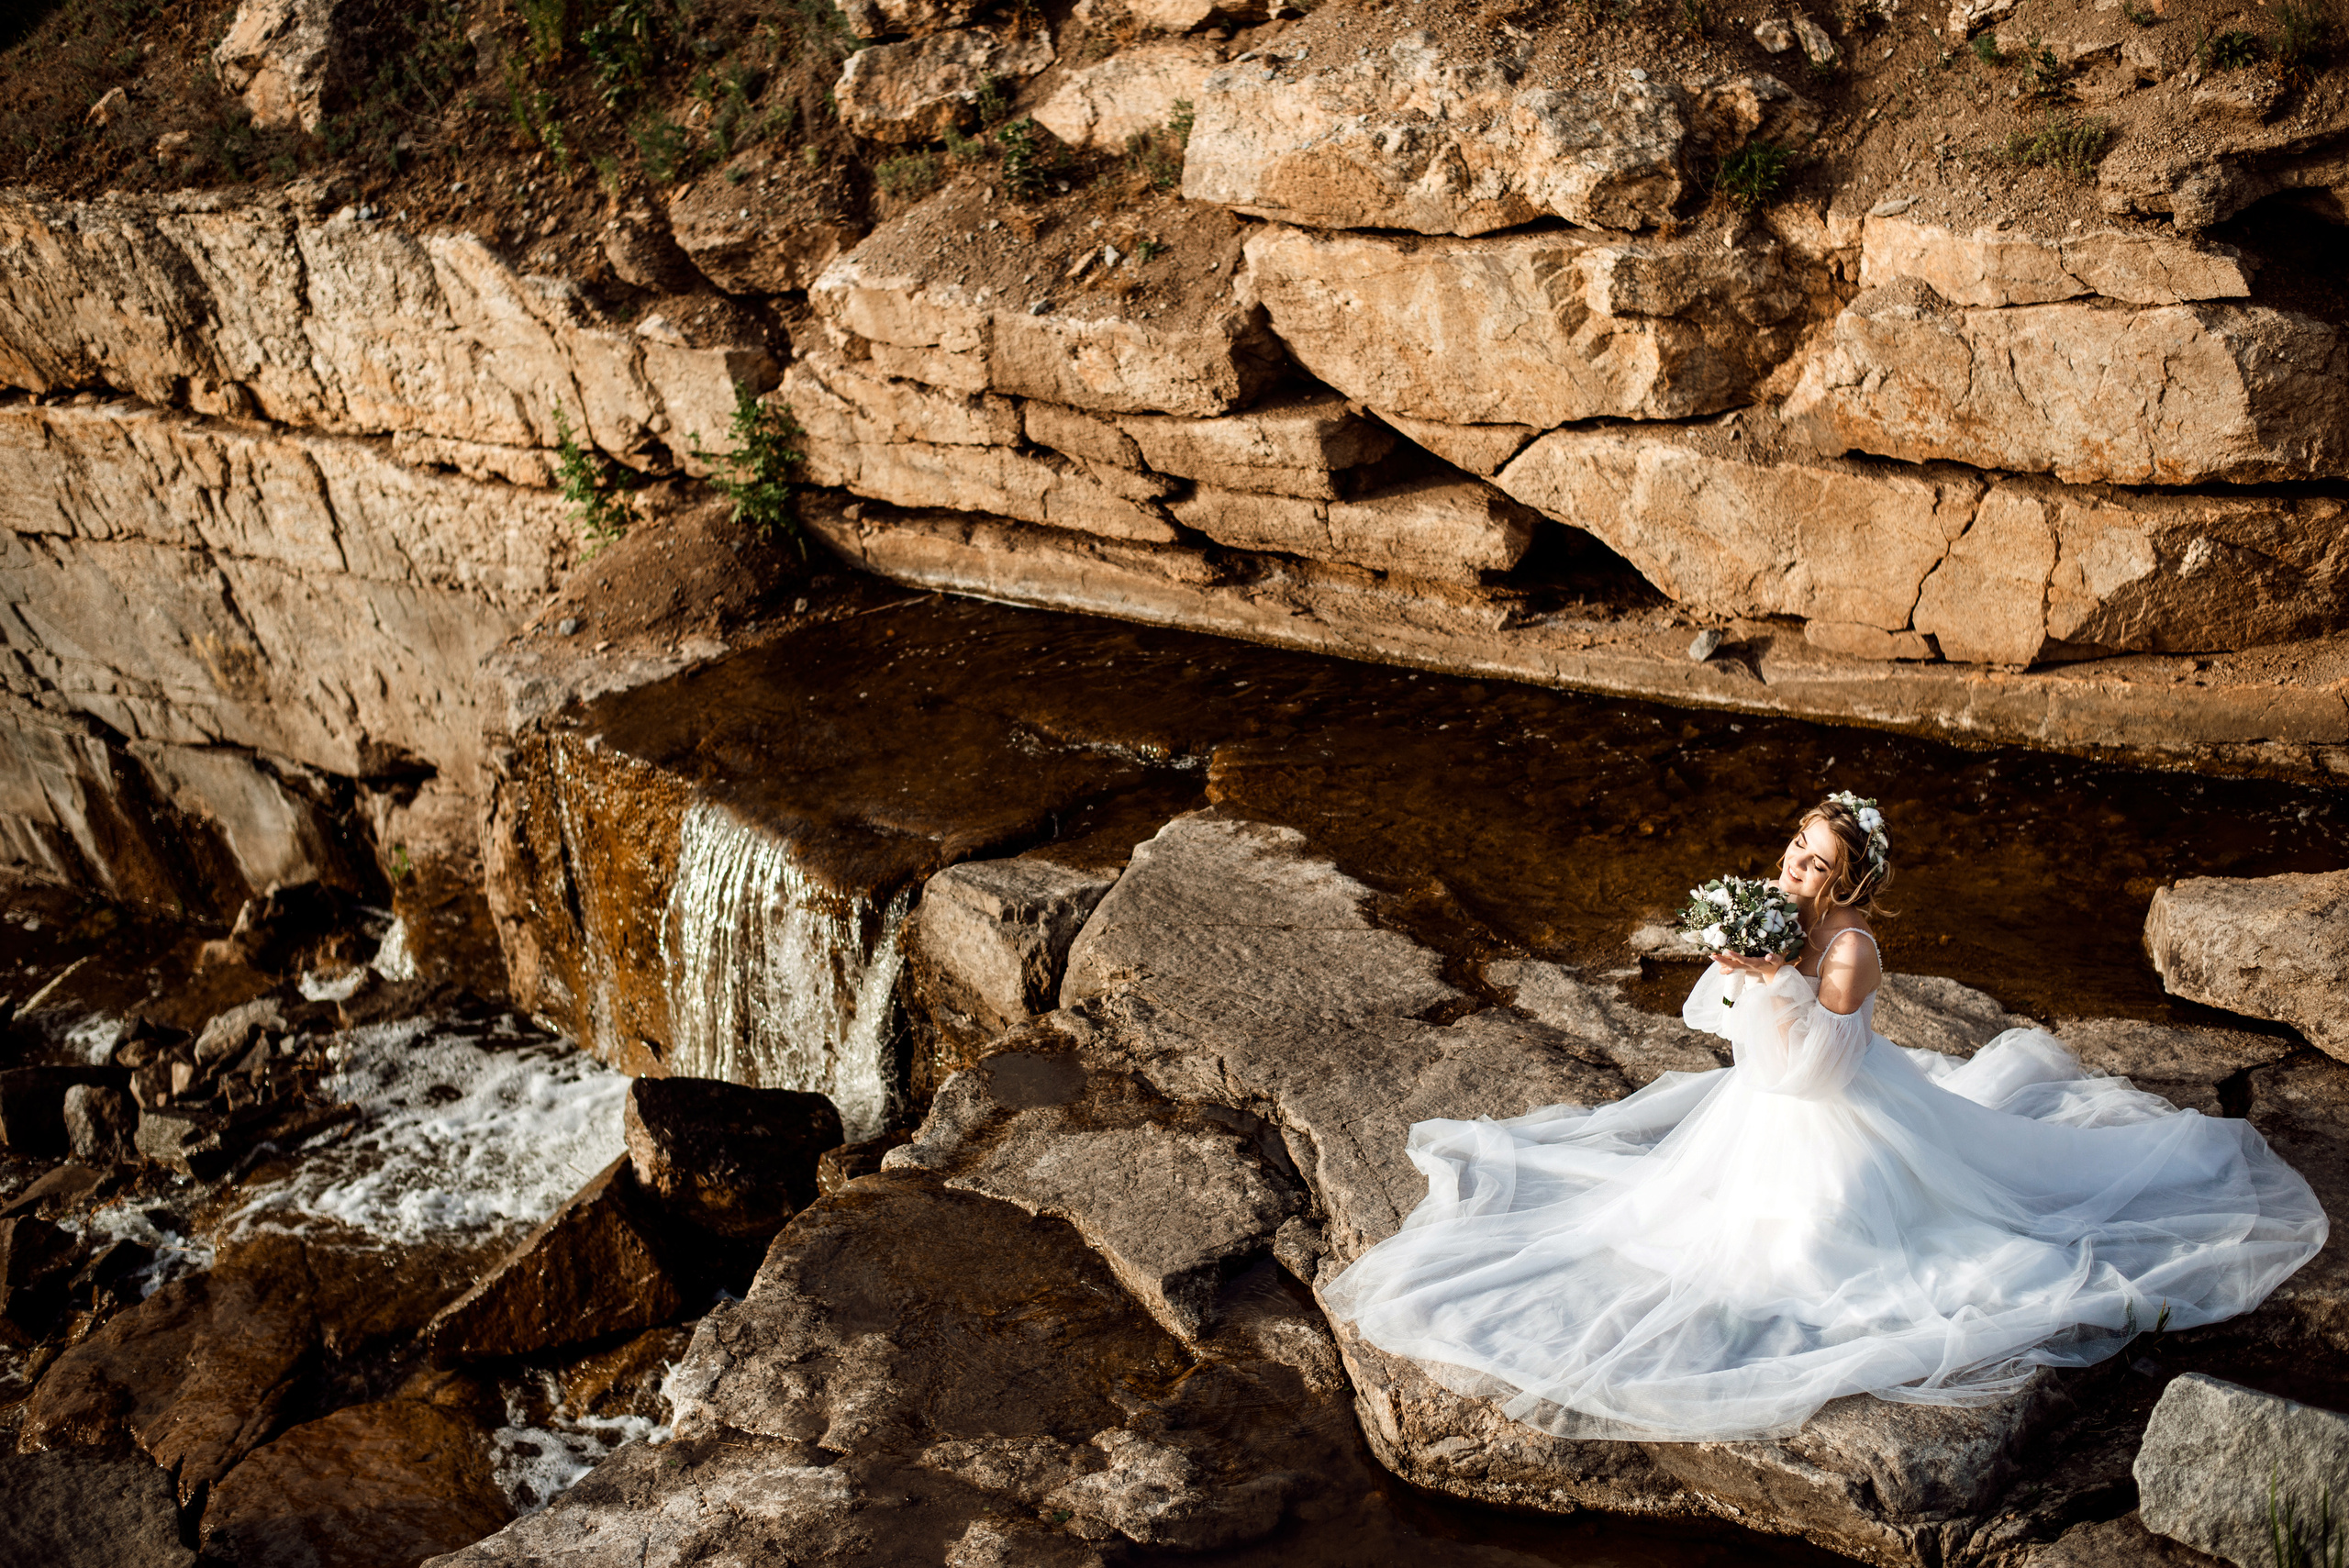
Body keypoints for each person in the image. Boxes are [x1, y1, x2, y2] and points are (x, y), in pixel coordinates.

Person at [1323, 793, 2327, 1442]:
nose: (1793, 868)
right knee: (1655, 1221)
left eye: (1814, 861)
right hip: (1755, 1112)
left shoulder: (1847, 950)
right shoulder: (1776, 912)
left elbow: (1809, 1070)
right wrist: (1740, 970)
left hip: (1838, 1116)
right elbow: (1724, 1029)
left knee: (1815, 1264)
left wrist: (1770, 980)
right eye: (1794, 848)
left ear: (1847, 880)